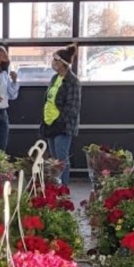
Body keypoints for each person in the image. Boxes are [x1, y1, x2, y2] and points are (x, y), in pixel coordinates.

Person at [42, 46, 84, 183]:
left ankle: (63, 189)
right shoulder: (54, 78)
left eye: (55, 60)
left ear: (63, 63)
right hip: (50, 123)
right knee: (54, 160)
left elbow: (73, 107)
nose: (53, 62)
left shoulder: (73, 81)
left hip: (63, 126)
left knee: (61, 159)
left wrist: (59, 120)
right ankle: (55, 186)